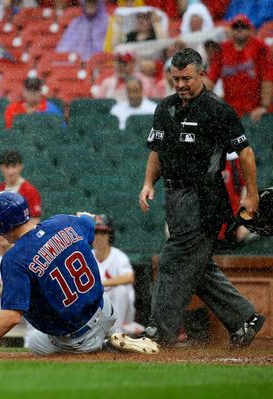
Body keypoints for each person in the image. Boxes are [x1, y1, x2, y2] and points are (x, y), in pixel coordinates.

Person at [138, 47, 265, 347]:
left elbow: (245, 153)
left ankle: (159, 332)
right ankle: (245, 318)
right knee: (196, 266)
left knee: (172, 260)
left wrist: (252, 196)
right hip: (175, 195)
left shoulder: (218, 111)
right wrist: (147, 183)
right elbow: (157, 150)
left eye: (187, 79)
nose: (180, 85)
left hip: (204, 197)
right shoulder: (164, 109)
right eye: (175, 79)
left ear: (202, 75)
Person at [0, 191, 159, 355]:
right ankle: (109, 335)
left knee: (34, 342)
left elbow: (11, 317)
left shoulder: (14, 259)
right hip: (105, 309)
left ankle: (105, 348)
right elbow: (88, 219)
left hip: (78, 336)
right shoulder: (62, 222)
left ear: (0, 225)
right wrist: (81, 219)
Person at [205, 15, 273, 122]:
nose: (240, 29)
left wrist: (263, 107)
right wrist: (198, 100)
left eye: (244, 27)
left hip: (256, 113)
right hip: (233, 113)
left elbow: (268, 79)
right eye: (236, 27)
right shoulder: (223, 50)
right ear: (231, 31)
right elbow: (210, 79)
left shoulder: (260, 47)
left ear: (250, 30)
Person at [91, 215, 143, 335]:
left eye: (103, 232)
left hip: (121, 311)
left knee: (120, 290)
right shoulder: (87, 257)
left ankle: (117, 334)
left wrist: (102, 283)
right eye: (95, 232)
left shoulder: (118, 256)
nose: (98, 237)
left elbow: (129, 277)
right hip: (98, 310)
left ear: (109, 235)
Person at [0, 149, 41, 224]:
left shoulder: (30, 191)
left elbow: (35, 222)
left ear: (20, 167)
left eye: (14, 166)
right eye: (6, 167)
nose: (10, 172)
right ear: (1, 168)